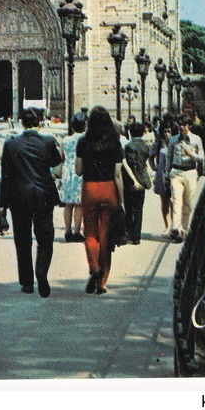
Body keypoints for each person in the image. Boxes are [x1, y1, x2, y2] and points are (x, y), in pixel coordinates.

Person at [0, 107, 62, 297]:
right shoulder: (48, 142)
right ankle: (41, 271)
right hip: (43, 196)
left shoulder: (11, 145)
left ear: (22, 123)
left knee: (22, 240)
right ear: (39, 123)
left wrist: (3, 204)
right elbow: (56, 161)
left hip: (19, 198)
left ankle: (27, 282)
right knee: (45, 238)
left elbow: (6, 175)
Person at [75, 106, 124, 295]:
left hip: (90, 189)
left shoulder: (83, 142)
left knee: (90, 233)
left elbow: (78, 170)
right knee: (106, 237)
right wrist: (121, 199)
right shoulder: (115, 143)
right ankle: (102, 284)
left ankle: (94, 267)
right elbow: (117, 174)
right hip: (108, 188)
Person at [166, 113, 204, 241]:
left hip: (190, 173)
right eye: (179, 124)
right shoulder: (173, 140)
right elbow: (169, 158)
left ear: (189, 126)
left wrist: (191, 154)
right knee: (176, 201)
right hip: (176, 172)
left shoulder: (196, 139)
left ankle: (184, 230)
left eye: (184, 125)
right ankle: (176, 229)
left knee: (188, 203)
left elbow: (202, 158)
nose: (181, 127)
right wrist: (167, 173)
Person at [122, 121, 151, 244]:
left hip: (131, 181)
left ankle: (130, 232)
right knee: (139, 208)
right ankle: (137, 235)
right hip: (142, 180)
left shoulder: (129, 146)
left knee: (129, 208)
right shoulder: (145, 146)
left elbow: (131, 164)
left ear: (130, 132)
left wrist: (134, 180)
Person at [60, 115, 86, 242]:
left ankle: (67, 231)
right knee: (79, 203)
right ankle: (77, 231)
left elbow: (61, 156)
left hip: (67, 171)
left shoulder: (65, 140)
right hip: (79, 170)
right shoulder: (85, 139)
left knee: (68, 203)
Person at [148, 118, 173, 232]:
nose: (167, 134)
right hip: (161, 174)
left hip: (174, 175)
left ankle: (175, 224)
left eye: (169, 131)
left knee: (175, 200)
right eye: (165, 131)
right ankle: (167, 225)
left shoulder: (175, 143)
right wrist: (154, 167)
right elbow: (150, 157)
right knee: (164, 201)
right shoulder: (158, 145)